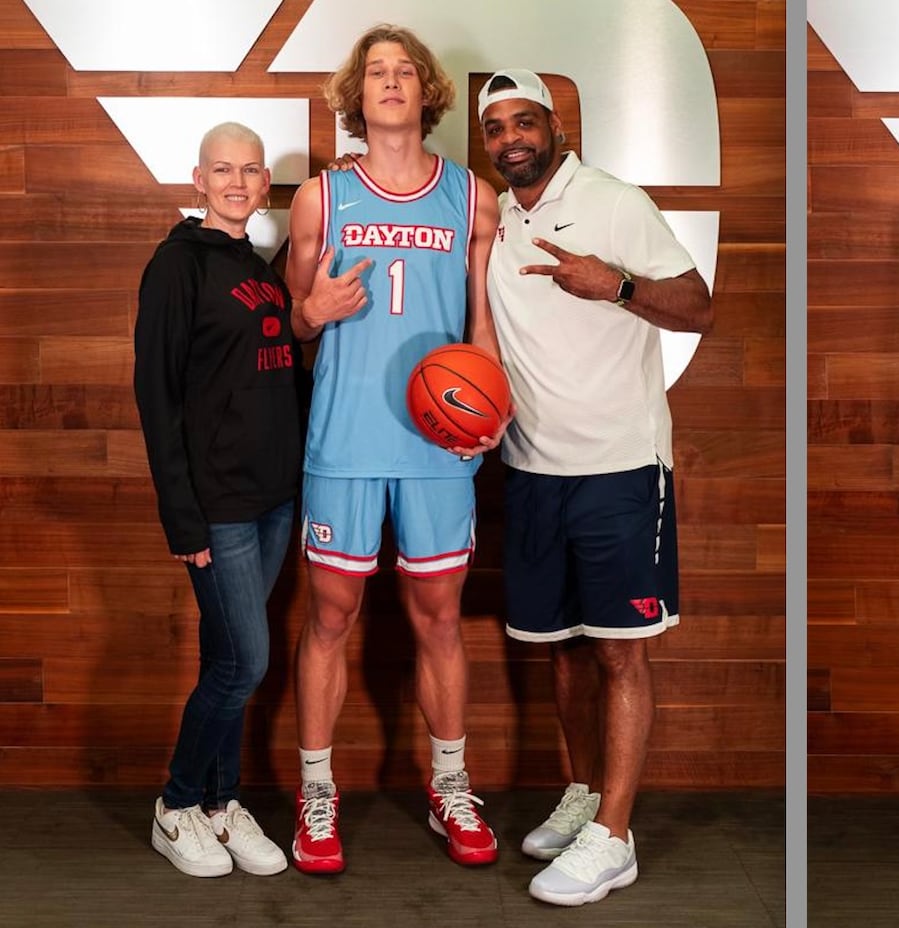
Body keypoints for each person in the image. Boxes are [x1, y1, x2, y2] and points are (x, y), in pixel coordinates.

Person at [476, 69, 712, 906]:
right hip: (533, 468)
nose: (512, 138)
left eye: (525, 121)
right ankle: (584, 795)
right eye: (497, 127)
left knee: (619, 651)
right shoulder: (497, 219)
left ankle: (615, 836)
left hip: (618, 464)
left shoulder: (615, 200)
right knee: (564, 652)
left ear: (556, 126)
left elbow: (698, 306)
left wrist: (613, 284)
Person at [282, 23, 503, 874]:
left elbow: (481, 326)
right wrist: (316, 313)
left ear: (426, 92)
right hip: (343, 441)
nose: (389, 82)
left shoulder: (470, 199)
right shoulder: (321, 200)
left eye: (404, 70)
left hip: (438, 449)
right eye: (375, 71)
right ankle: (316, 796)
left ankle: (450, 786)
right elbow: (296, 321)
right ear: (355, 94)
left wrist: (488, 408)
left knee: (440, 619)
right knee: (330, 618)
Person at [133, 121, 298, 878]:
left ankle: (220, 804)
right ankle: (175, 805)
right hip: (219, 505)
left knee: (226, 653)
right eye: (222, 169)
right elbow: (155, 393)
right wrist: (181, 514)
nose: (238, 182)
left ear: (266, 184)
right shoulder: (177, 266)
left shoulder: (259, 266)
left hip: (273, 498)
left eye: (252, 170)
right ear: (198, 180)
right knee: (246, 663)